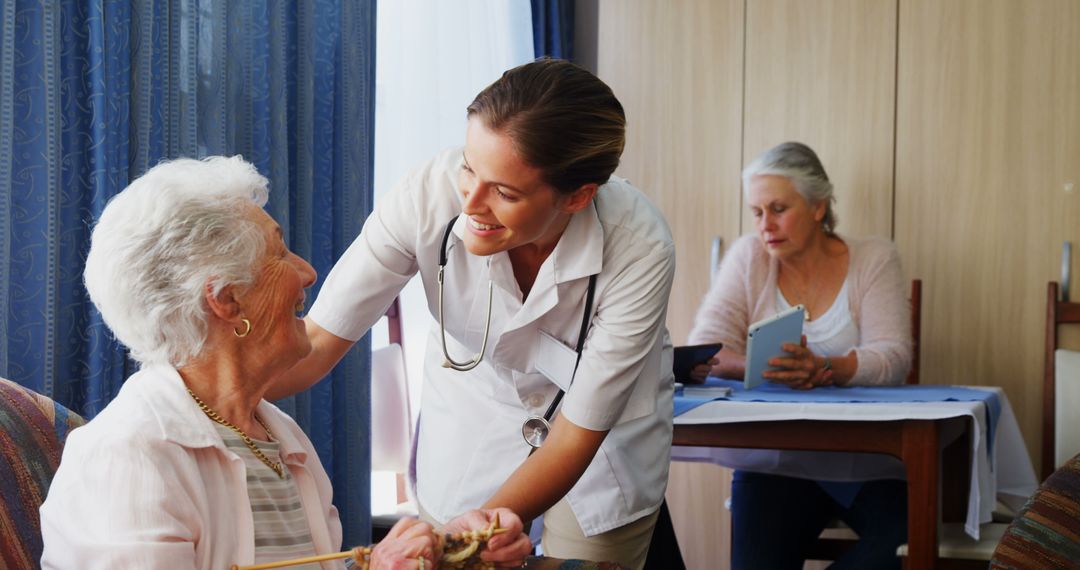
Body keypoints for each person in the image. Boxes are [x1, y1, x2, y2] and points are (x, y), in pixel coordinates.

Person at [274, 58, 676, 569]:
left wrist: (484, 526)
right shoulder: (425, 198)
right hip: (473, 416)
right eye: (469, 166)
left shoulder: (639, 248)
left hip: (599, 447)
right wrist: (189, 397)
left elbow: (576, 434)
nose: (471, 203)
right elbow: (317, 343)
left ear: (577, 197)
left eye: (505, 193)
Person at [39, 156, 530, 569]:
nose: (307, 272)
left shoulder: (280, 440)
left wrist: (445, 553)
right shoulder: (126, 456)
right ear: (227, 300)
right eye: (280, 253)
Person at [687, 142, 913, 569]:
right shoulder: (747, 258)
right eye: (756, 212)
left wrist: (826, 369)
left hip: (866, 458)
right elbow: (708, 348)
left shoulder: (874, 258)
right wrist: (771, 366)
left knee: (905, 547)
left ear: (817, 207)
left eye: (778, 208)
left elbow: (894, 356)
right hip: (776, 458)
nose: (765, 225)